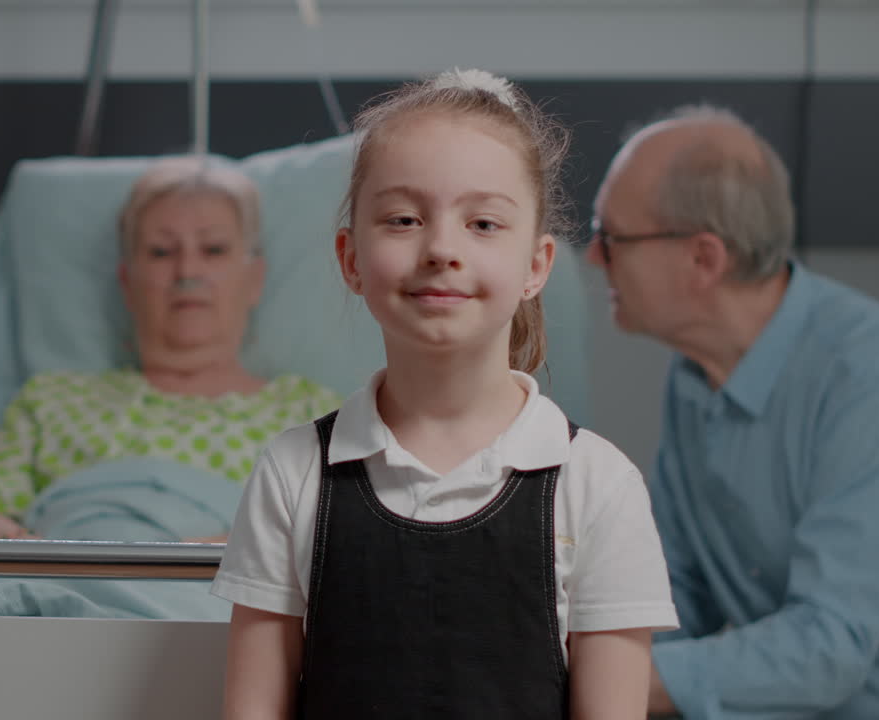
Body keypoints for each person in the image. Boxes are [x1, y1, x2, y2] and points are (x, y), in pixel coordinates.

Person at [213, 68, 679, 719]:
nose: (441, 248)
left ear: (537, 266)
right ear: (351, 259)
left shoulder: (598, 486)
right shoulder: (292, 475)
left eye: (483, 224)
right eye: (403, 219)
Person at [588, 105, 879, 718]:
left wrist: (607, 681)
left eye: (611, 238)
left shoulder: (873, 378)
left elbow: (827, 651)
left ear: (704, 260)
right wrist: (575, 648)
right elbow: (679, 596)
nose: (593, 258)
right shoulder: (695, 372)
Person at [0, 156, 342, 541]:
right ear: (127, 282)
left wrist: (217, 556)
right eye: (161, 252)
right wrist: (64, 570)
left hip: (227, 605)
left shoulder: (307, 415)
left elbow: (341, 530)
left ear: (255, 278)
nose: (188, 272)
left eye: (213, 249)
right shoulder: (52, 402)